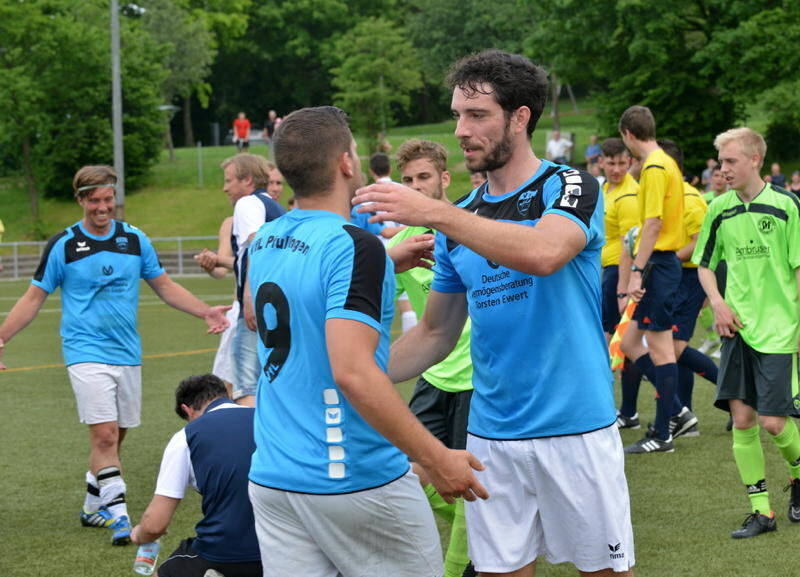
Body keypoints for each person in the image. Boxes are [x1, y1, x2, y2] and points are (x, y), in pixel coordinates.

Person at [355, 50, 634, 577]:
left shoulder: (569, 186)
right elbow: (436, 332)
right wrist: (355, 369)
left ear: (520, 117)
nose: (461, 129)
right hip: (491, 438)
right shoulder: (460, 217)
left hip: (575, 428)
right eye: (458, 114)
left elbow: (545, 253)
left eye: (477, 115)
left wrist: (436, 213)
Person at [246, 106, 487, 577]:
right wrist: (436, 459)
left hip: (274, 476)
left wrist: (381, 260)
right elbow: (353, 372)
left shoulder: (266, 239)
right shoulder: (355, 245)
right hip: (348, 474)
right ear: (345, 164)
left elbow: (261, 317)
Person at [0, 165, 229, 546]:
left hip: (127, 353)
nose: (102, 208)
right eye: (94, 200)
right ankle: (120, 517)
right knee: (105, 436)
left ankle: (93, 506)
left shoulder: (135, 240)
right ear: (81, 200)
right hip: (84, 350)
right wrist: (2, 335)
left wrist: (204, 311)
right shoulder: (65, 244)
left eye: (108, 199)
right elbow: (34, 297)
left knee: (114, 439)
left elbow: (165, 285)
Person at [693, 127, 800, 539]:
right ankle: (762, 511)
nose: (723, 170)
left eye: (731, 161)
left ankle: (797, 477)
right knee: (742, 420)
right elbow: (704, 263)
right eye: (721, 163)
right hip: (737, 331)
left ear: (755, 160)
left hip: (779, 330)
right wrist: (718, 302)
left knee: (774, 422)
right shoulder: (718, 208)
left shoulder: (787, 205)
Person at [390, 138, 475, 577]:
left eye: (424, 177)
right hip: (433, 376)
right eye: (407, 180)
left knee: (468, 484)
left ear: (445, 179)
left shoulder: (469, 228)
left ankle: (458, 566)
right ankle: (480, 539)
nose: (415, 186)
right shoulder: (400, 245)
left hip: (477, 382)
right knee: (408, 477)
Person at [131, 374, 261, 576]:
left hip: (224, 552)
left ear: (187, 410)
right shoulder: (267, 419)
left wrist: (140, 534)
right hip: (285, 547)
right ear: (226, 395)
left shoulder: (186, 436)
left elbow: (155, 524)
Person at [618, 105, 691, 454]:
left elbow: (653, 224)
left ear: (628, 135)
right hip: (661, 264)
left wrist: (635, 271)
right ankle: (676, 410)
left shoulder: (656, 166)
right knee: (632, 344)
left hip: (659, 265)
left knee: (661, 351)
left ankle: (663, 433)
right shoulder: (664, 162)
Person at [658, 140, 718, 434]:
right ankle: (684, 413)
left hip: (689, 278)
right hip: (673, 277)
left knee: (673, 348)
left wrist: (661, 258)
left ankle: (737, 396)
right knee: (670, 349)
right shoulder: (667, 196)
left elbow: (699, 245)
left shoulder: (690, 199)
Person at [223, 154, 286, 407]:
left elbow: (257, 245)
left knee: (247, 386)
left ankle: (248, 445)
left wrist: (249, 296)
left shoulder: (247, 204)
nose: (225, 187)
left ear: (247, 180)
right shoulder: (275, 207)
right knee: (273, 382)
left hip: (260, 303)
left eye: (229, 180)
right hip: (280, 305)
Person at [598, 138, 643, 430]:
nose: (616, 169)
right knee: (622, 344)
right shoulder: (604, 189)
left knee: (616, 343)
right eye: (610, 162)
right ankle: (627, 411)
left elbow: (631, 244)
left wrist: (623, 288)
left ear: (630, 162)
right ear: (601, 161)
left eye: (621, 162)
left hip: (619, 273)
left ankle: (620, 409)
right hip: (607, 271)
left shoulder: (628, 196)